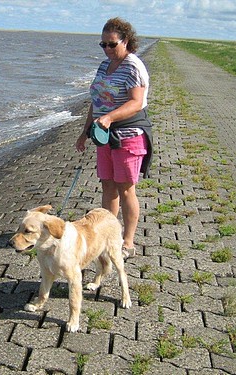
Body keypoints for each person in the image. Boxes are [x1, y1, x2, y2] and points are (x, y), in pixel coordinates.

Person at [76, 17, 153, 259]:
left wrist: (109, 118)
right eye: (103, 45)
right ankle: (109, 235)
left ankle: (127, 242)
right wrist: (84, 131)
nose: (107, 49)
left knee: (126, 189)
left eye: (112, 44)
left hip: (128, 135)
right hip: (104, 136)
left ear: (126, 41)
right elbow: (97, 101)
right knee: (108, 186)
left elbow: (136, 103)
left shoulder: (133, 66)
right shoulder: (103, 66)